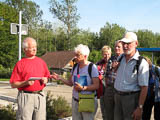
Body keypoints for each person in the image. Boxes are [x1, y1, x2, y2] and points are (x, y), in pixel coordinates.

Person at [52, 44, 99, 120]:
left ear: (85, 56)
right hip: (76, 101)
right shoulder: (75, 67)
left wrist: (83, 88)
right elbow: (71, 83)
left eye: (78, 55)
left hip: (88, 101)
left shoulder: (92, 67)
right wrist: (60, 78)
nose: (75, 57)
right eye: (75, 55)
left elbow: (96, 85)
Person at [10, 37, 50, 120]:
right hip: (25, 97)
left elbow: (47, 77)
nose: (34, 49)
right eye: (31, 47)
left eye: (35, 46)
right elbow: (13, 84)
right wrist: (26, 83)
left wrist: (46, 80)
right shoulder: (20, 64)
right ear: (25, 49)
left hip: (40, 96)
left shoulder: (41, 62)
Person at [114, 32, 149, 120]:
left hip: (131, 100)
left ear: (136, 43)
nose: (125, 46)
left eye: (128, 43)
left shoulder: (141, 62)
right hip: (118, 98)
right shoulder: (121, 57)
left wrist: (140, 108)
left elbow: (144, 88)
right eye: (123, 43)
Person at [104, 40, 123, 120]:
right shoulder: (111, 58)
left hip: (120, 89)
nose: (116, 48)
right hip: (110, 88)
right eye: (115, 46)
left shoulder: (125, 58)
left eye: (119, 46)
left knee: (119, 114)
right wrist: (113, 68)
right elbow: (107, 74)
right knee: (109, 112)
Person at [96, 45, 111, 120]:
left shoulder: (113, 63)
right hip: (101, 91)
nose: (107, 56)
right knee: (103, 112)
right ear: (102, 54)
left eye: (108, 54)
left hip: (111, 91)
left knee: (110, 113)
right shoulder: (99, 64)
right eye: (105, 54)